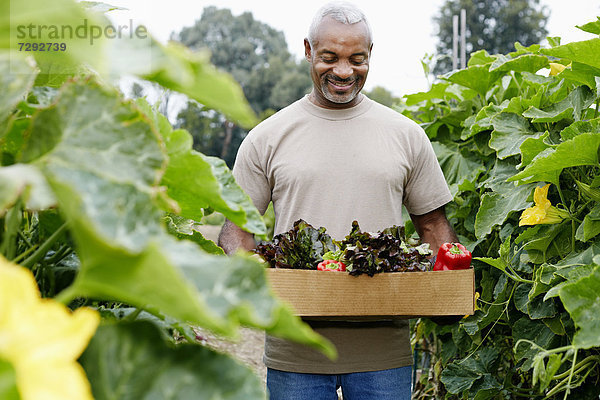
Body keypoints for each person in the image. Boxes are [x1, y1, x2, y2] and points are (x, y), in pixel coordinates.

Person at [218, 1, 458, 399]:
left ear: (370, 56)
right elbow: (236, 234)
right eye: (329, 57)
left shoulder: (406, 135)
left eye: (356, 59)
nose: (344, 71)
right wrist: (247, 285)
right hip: (296, 352)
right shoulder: (267, 137)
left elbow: (433, 227)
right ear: (309, 50)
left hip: (385, 354)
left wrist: (448, 294)